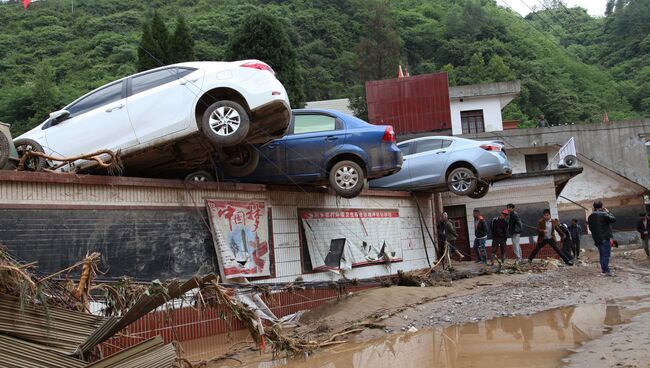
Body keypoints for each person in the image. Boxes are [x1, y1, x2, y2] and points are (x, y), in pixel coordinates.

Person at [587, 201, 616, 276]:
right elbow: (613, 219)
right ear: (602, 206)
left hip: (597, 238)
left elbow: (590, 228)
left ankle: (604, 270)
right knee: (606, 255)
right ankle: (606, 271)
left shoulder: (590, 217)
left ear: (594, 207)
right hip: (605, 238)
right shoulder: (604, 214)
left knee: (602, 254)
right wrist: (608, 212)